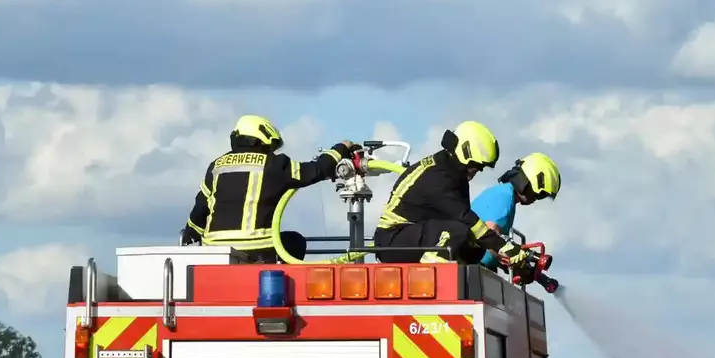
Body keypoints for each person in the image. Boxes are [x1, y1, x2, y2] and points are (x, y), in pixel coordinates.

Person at [181, 114, 357, 263]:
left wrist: (190, 232)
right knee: (295, 242)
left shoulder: (216, 166)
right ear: (263, 139)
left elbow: (199, 211)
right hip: (259, 250)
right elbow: (317, 170)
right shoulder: (274, 164)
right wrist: (341, 148)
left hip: (216, 254)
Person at [371, 120, 527, 270]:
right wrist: (502, 245)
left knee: (474, 247)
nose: (478, 170)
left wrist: (498, 251)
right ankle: (432, 273)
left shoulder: (454, 174)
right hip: (392, 241)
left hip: (412, 236)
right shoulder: (438, 176)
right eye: (477, 165)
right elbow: (465, 218)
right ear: (465, 153)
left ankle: (449, 270)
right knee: (458, 231)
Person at [469, 151, 561, 269]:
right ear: (528, 183)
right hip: (471, 267)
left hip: (476, 266)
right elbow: (490, 240)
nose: (537, 199)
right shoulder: (504, 198)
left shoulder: (504, 194)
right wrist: (517, 262)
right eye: (540, 194)